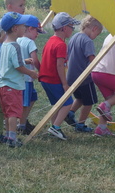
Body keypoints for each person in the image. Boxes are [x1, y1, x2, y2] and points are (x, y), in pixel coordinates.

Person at [39, 12, 82, 140]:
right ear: (64, 28)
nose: (73, 29)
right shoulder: (61, 44)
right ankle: (55, 127)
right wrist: (64, 84)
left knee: (56, 105)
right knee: (67, 103)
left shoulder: (50, 41)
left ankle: (54, 128)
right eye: (71, 26)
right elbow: (59, 65)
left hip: (45, 79)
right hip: (53, 79)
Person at [0, 12, 38, 147]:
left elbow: (11, 61)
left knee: (7, 112)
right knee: (13, 113)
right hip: (13, 85)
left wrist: (24, 60)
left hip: (3, 85)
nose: (25, 28)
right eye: (23, 26)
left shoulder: (5, 44)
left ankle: (8, 135)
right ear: (15, 29)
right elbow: (18, 66)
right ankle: (12, 138)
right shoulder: (15, 46)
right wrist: (31, 73)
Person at [66, 15, 104, 133]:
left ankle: (70, 113)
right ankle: (81, 124)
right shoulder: (88, 41)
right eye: (97, 34)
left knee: (80, 98)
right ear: (94, 28)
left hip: (71, 76)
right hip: (84, 78)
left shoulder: (74, 37)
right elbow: (92, 59)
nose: (96, 37)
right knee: (89, 102)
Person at [17, 15, 44, 135]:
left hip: (19, 77)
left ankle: (22, 120)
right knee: (26, 103)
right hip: (27, 78)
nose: (37, 34)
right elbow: (35, 60)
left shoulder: (17, 40)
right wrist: (41, 70)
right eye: (36, 31)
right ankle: (22, 125)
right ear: (29, 29)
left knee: (33, 97)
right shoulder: (30, 42)